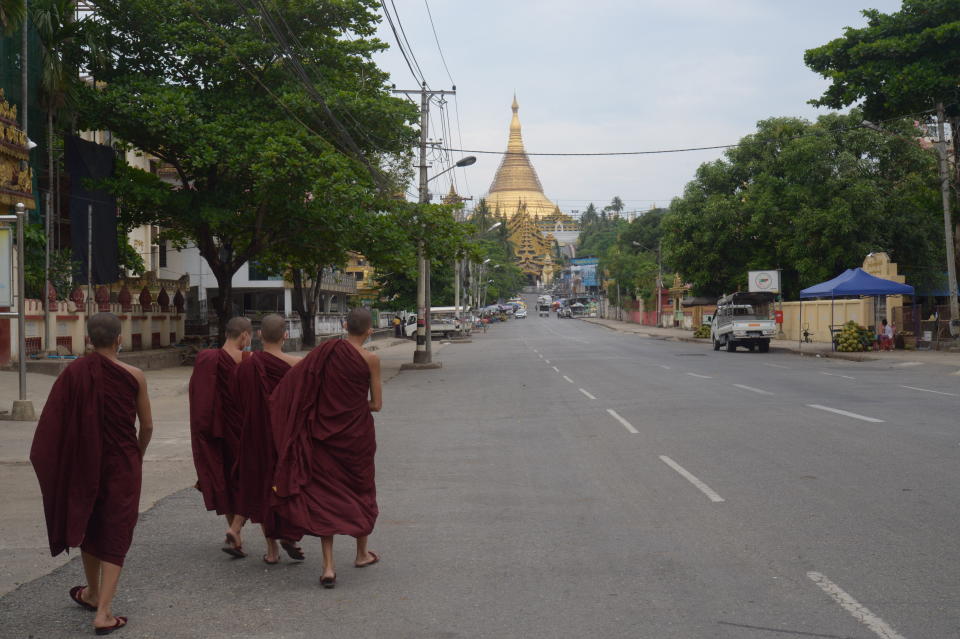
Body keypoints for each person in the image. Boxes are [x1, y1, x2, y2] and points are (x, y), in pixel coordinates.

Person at [31, 313, 153, 635]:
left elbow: (52, 425)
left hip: (85, 461)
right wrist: (136, 454)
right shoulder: (135, 375)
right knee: (116, 529)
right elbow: (148, 425)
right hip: (122, 463)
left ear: (87, 340)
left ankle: (93, 591)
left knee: (90, 521)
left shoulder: (73, 372)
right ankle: (104, 609)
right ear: (118, 340)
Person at [270, 307, 383, 589]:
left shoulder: (326, 352)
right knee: (361, 488)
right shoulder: (371, 359)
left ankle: (328, 566)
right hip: (356, 435)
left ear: (345, 326)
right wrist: (353, 409)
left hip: (323, 434)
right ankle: (361, 554)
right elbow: (376, 404)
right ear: (370, 330)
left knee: (325, 495)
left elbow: (300, 386)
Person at [234, 314, 304, 564]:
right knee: (287, 485)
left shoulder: (246, 365)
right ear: (286, 335)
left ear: (260, 335)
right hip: (285, 436)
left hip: (257, 435)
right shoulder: (297, 365)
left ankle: (272, 550)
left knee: (265, 487)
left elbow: (239, 402)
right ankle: (289, 535)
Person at [189, 316, 252, 557]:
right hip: (239, 428)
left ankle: (235, 537)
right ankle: (236, 530)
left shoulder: (205, 358)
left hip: (212, 430)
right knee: (249, 480)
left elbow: (198, 394)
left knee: (224, 479)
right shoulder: (246, 359)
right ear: (244, 336)